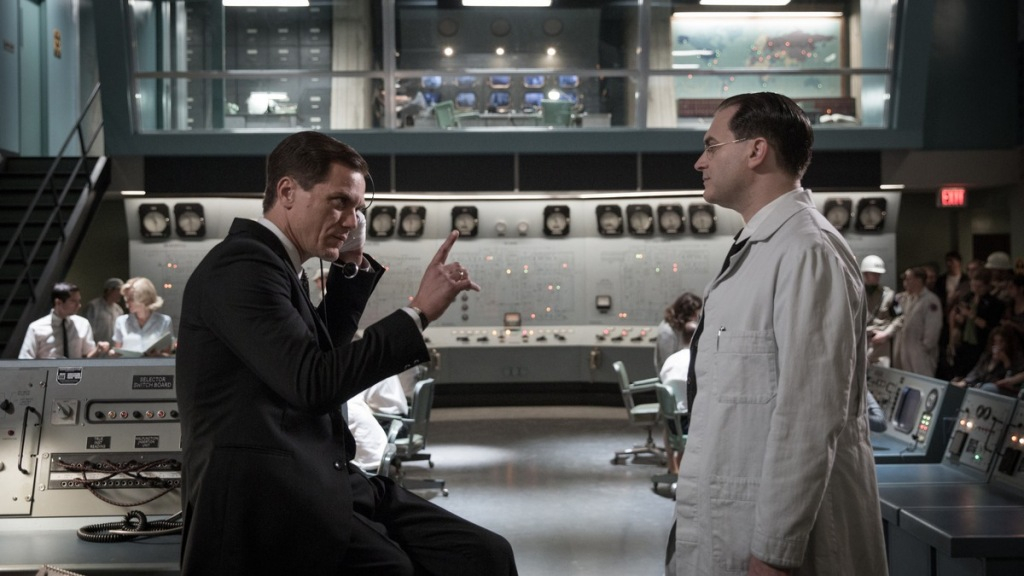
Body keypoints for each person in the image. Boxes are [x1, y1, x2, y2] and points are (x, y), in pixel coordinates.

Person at [175, 131, 516, 575]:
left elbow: (320, 357)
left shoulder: (279, 266)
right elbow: (314, 383)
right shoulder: (242, 266)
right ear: (287, 192)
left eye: (358, 209)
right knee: (393, 568)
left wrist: (350, 266)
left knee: (484, 553)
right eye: (340, 202)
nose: (351, 221)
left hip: (324, 478)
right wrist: (417, 313)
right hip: (270, 495)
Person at [672, 93, 886, 576]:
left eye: (711, 146)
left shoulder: (807, 251)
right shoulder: (765, 249)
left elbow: (810, 415)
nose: (700, 161)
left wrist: (774, 553)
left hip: (776, 553)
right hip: (730, 529)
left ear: (756, 151)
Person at [873, 267, 943, 377]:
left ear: (919, 280)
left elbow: (932, 330)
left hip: (919, 352)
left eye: (908, 279)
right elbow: (898, 318)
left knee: (921, 380)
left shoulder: (930, 300)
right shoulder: (903, 298)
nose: (905, 282)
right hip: (902, 348)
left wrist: (924, 348)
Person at [19, 282, 109, 359]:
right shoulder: (36, 328)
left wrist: (98, 350)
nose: (79, 305)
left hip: (75, 373)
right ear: (58, 302)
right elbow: (25, 359)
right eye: (73, 301)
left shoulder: (83, 324)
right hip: (47, 373)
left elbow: (87, 357)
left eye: (79, 301)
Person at [947, 268, 1004, 378]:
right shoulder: (968, 298)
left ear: (986, 286)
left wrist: (971, 315)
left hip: (980, 344)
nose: (976, 289)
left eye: (979, 286)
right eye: (973, 285)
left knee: (974, 373)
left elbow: (989, 326)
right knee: (958, 371)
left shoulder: (994, 303)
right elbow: (957, 315)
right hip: (964, 342)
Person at [951, 326, 1024, 397]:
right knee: (956, 382)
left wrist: (1006, 361)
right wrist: (965, 381)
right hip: (981, 384)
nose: (997, 345)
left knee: (988, 388)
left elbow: (1011, 381)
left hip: (1001, 390)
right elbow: (977, 371)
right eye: (995, 342)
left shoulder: (1015, 357)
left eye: (1001, 342)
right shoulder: (987, 356)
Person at [112, 277, 175, 356]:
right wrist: (112, 353)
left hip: (154, 364)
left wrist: (158, 355)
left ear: (145, 299)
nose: (127, 303)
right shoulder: (121, 321)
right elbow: (117, 353)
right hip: (128, 364)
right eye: (126, 298)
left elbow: (168, 354)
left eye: (131, 299)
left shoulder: (164, 321)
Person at [861, 255, 897, 366]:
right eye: (874, 274)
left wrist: (886, 333)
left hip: (880, 345)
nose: (877, 277)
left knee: (881, 374)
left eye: (879, 274)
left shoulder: (889, 295)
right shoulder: (855, 294)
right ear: (865, 274)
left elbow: (900, 317)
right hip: (860, 341)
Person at [654, 292, 703, 373]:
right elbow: (668, 362)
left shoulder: (682, 327)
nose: (696, 319)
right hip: (672, 374)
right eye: (695, 315)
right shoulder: (667, 331)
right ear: (685, 314)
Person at [82, 277, 125, 343]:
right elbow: (87, 330)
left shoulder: (118, 310)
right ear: (109, 290)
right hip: (97, 347)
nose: (121, 294)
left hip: (113, 347)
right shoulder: (93, 306)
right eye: (119, 290)